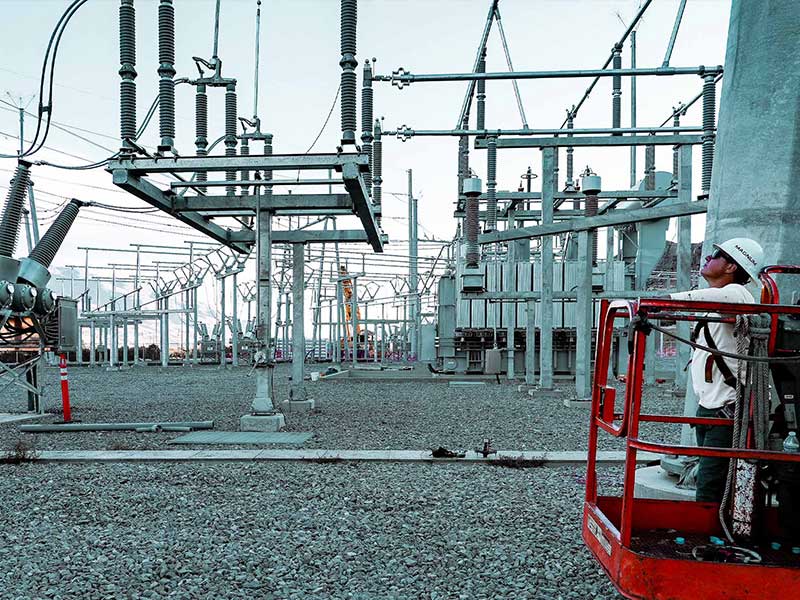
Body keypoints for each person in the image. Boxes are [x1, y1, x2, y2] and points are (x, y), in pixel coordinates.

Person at [669, 237, 764, 503]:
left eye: (715, 255)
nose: (707, 259)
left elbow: (702, 300)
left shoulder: (737, 294)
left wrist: (658, 303)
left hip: (727, 409)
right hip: (712, 407)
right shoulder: (717, 304)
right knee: (712, 476)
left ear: (732, 267)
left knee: (710, 482)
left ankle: (712, 539)